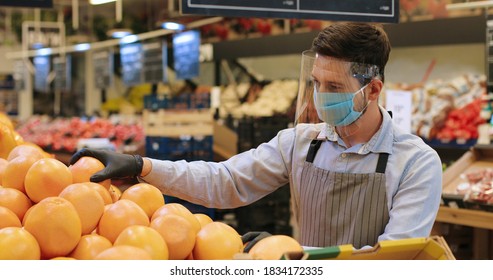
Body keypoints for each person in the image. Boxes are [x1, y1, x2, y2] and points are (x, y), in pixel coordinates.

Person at [70, 22, 443, 250]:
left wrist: (295, 254)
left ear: (373, 90)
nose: (319, 96)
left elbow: (393, 258)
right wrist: (143, 165)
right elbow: (225, 180)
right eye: (315, 83)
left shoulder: (415, 163)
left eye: (333, 86)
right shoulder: (301, 143)